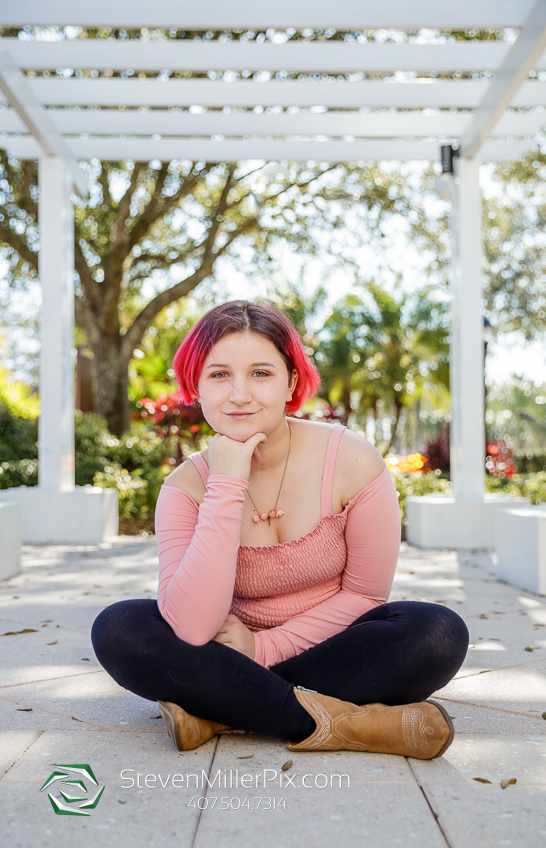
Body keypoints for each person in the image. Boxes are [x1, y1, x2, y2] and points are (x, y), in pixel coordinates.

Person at [91, 299, 469, 759]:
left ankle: (218, 710)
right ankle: (358, 726)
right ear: (197, 386)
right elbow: (192, 629)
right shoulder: (184, 489)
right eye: (219, 374)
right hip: (221, 651)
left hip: (329, 648)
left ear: (291, 380)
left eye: (261, 373)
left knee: (436, 631)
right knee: (119, 627)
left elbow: (367, 596)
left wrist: (262, 649)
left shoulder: (351, 460)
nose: (240, 394)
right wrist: (226, 482)